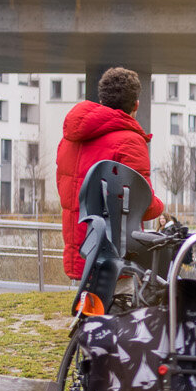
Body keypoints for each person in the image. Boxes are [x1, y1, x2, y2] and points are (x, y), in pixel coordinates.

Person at [57, 67, 166, 279]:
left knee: (87, 302)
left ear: (102, 100)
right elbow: (142, 207)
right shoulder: (130, 141)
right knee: (126, 302)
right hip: (115, 259)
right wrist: (161, 207)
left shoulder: (70, 139)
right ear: (136, 105)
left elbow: (68, 193)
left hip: (80, 256)